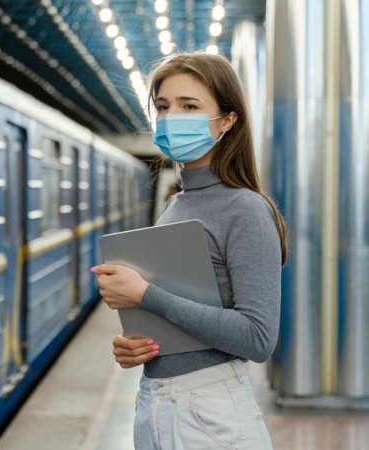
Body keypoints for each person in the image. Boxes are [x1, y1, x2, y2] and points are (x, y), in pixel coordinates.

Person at [91, 52, 286, 449]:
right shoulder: (178, 205)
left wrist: (145, 294)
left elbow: (257, 338)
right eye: (163, 107)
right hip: (158, 401)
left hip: (211, 413)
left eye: (189, 106)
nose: (172, 117)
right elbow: (181, 317)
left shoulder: (245, 208)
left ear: (228, 120)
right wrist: (138, 347)